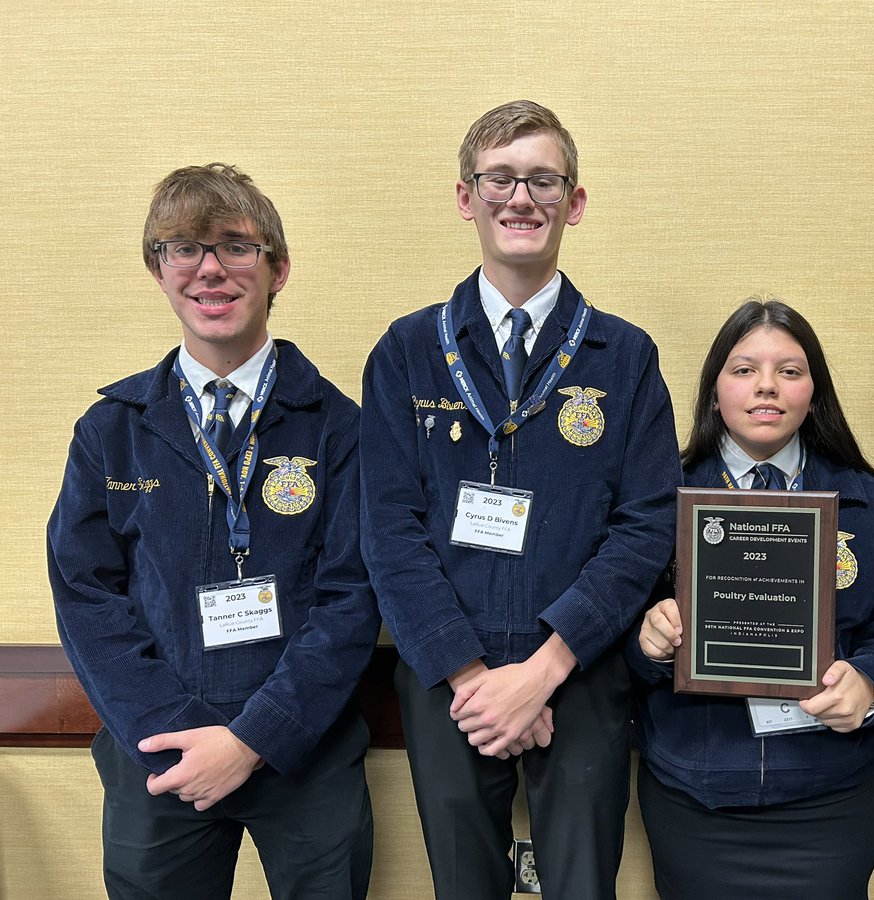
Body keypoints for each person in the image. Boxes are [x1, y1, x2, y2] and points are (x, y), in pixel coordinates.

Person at [359, 100, 679, 899]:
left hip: (580, 671)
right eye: (499, 179)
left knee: (581, 887)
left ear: (573, 202)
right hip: (446, 679)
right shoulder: (406, 352)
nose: (520, 199)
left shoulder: (625, 356)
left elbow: (646, 528)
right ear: (466, 197)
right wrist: (476, 680)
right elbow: (388, 530)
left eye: (542, 180)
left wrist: (541, 672)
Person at [48, 164, 380, 900]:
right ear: (158, 270)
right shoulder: (112, 432)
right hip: (161, 753)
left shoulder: (340, 430)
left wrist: (254, 737)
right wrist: (178, 731)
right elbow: (84, 594)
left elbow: (353, 595)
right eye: (183, 248)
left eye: (236, 247)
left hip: (305, 748)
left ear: (278, 270)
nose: (210, 269)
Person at [629, 298, 874, 900]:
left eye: (790, 371)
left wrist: (871, 685)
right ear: (714, 391)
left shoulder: (867, 503)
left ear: (815, 392)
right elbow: (613, 635)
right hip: (698, 796)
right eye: (743, 370)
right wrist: (649, 643)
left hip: (830, 797)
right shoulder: (659, 500)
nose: (767, 386)